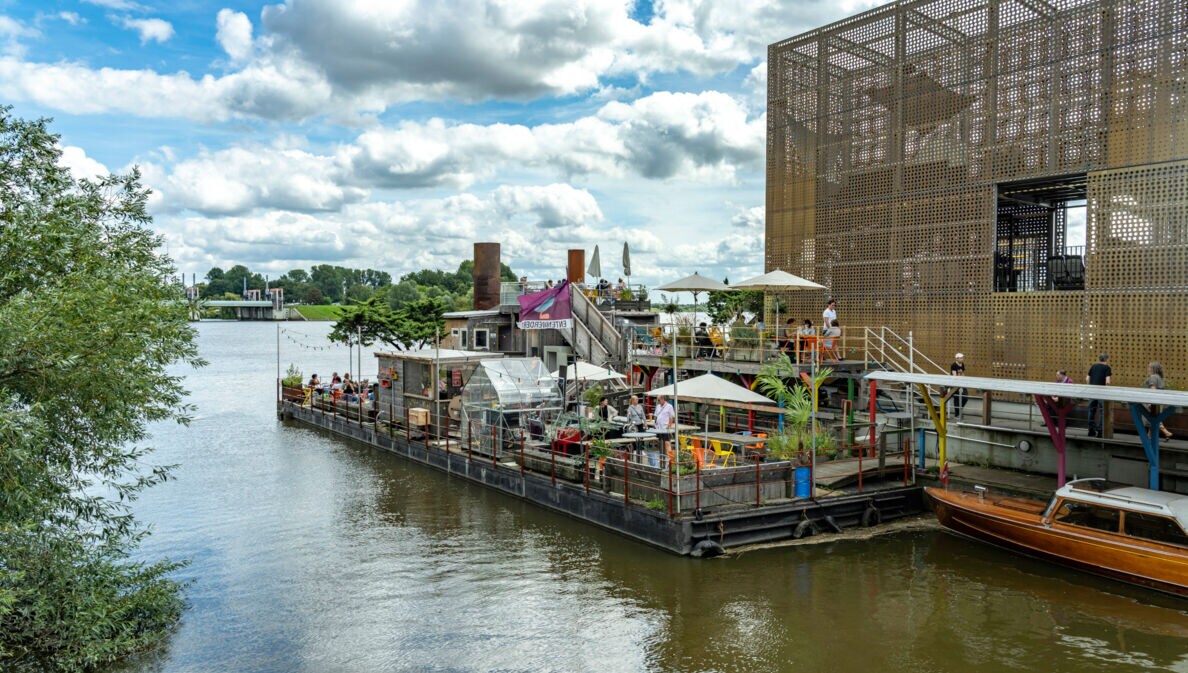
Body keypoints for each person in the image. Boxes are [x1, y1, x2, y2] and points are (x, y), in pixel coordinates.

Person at [1145, 362, 1174, 440]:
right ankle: (1149, 437)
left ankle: (1166, 432)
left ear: (1153, 369)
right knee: (1154, 418)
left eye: (1149, 367)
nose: (1148, 368)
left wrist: (1150, 402)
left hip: (1153, 401)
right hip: (1159, 401)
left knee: (1153, 419)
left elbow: (1153, 390)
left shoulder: (1153, 377)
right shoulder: (1160, 378)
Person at [1086, 353, 1111, 437]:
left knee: (1091, 410)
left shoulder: (1093, 366)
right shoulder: (1107, 368)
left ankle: (1091, 430)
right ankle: (1100, 432)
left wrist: (1091, 387)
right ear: (1106, 359)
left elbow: (1087, 378)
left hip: (1092, 392)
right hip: (1101, 392)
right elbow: (1107, 382)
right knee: (1101, 411)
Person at [949, 352, 968, 418]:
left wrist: (965, 380)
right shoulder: (954, 365)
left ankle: (960, 410)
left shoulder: (962, 364)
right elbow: (954, 376)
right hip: (955, 383)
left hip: (962, 382)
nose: (962, 359)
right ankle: (957, 414)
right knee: (956, 398)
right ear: (957, 359)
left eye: (963, 358)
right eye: (961, 358)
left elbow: (962, 373)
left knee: (965, 397)